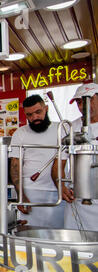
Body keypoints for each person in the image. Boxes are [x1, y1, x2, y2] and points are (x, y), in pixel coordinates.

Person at [9, 95, 65, 228]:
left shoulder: (62, 129)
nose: (34, 117)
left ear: (46, 109)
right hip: (30, 193)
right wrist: (21, 195)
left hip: (58, 192)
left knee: (58, 236)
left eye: (38, 112)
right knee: (30, 236)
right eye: (29, 115)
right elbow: (15, 166)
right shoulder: (20, 133)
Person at [52, 83, 98, 231]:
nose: (82, 106)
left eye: (87, 100)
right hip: (77, 197)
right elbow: (59, 163)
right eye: (78, 102)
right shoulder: (70, 127)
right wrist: (61, 185)